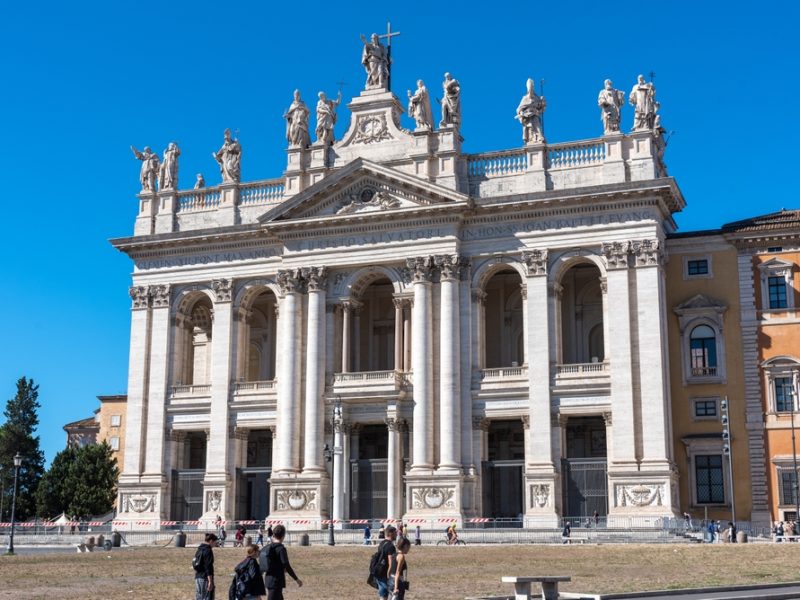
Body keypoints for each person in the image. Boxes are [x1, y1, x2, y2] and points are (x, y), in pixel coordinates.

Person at [262, 524, 302, 600]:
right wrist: (296, 579)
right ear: (283, 536)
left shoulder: (267, 547)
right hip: (276, 581)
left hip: (268, 579)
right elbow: (287, 565)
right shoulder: (281, 549)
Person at [515, 78, 546, 144]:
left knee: (536, 123)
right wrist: (522, 113)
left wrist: (543, 103)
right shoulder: (525, 98)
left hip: (535, 114)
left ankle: (539, 137)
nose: (531, 88)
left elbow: (541, 108)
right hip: (527, 117)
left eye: (532, 86)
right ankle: (535, 139)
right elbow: (518, 109)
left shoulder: (537, 98)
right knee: (531, 128)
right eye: (530, 87)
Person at [374, 525, 397, 600]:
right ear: (390, 533)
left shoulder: (382, 543)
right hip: (385, 572)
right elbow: (391, 562)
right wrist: (389, 575)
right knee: (385, 595)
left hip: (378, 571)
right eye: (395, 533)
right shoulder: (391, 546)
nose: (396, 535)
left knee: (382, 594)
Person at [194, 532, 219, 600]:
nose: (216, 543)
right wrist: (210, 581)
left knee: (199, 597)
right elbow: (208, 567)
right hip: (205, 578)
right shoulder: (208, 550)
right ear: (211, 541)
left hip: (198, 577)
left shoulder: (200, 548)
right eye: (215, 542)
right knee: (207, 597)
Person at [389, 536, 411, 600]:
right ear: (405, 546)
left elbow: (391, 568)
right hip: (397, 582)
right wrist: (396, 587)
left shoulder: (394, 555)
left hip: (391, 580)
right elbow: (397, 572)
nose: (409, 549)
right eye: (408, 547)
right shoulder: (401, 556)